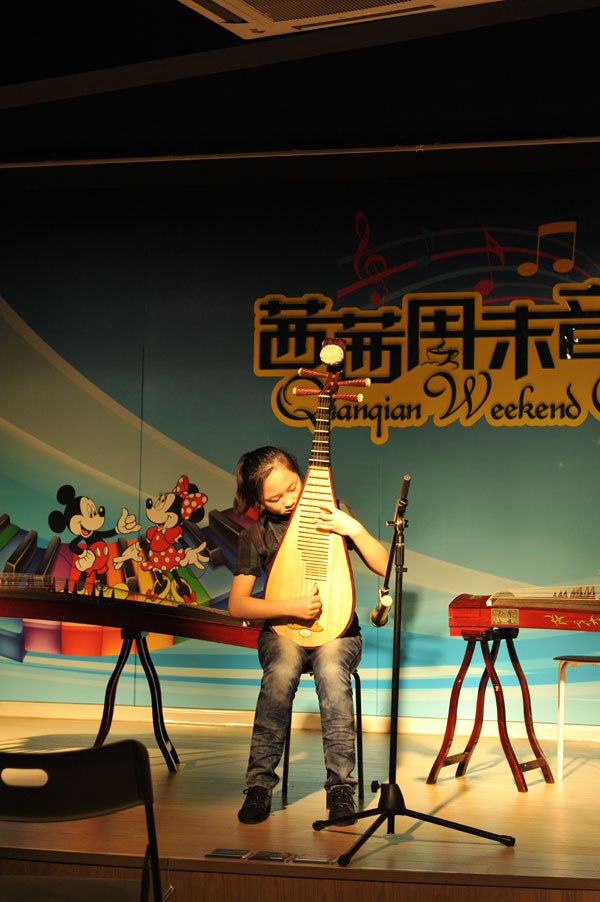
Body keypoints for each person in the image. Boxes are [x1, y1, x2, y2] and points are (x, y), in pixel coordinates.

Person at [228, 445, 388, 825]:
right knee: (281, 670)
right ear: (257, 501)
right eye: (274, 498)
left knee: (331, 670)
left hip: (339, 633)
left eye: (292, 487)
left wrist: (353, 529)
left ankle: (340, 787)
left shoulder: (333, 512)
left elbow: (386, 566)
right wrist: (291, 607)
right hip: (282, 632)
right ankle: (259, 786)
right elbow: (238, 605)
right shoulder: (256, 536)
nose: (287, 500)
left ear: (303, 476)